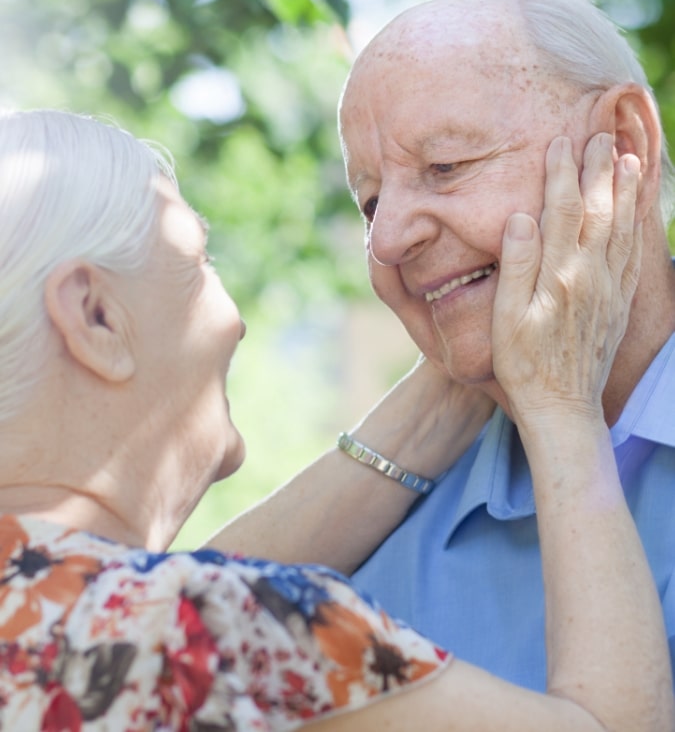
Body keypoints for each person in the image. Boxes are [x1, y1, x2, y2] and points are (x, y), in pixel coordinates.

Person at [0, 109, 671, 731]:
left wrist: (457, 363)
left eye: (446, 170)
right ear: (96, 317)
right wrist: (558, 399)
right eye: (198, 263)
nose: (234, 319)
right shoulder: (211, 626)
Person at [211, 0, 675, 692]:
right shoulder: (370, 521)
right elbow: (144, 659)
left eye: (445, 167)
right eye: (369, 204)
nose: (388, 238)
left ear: (621, 143)